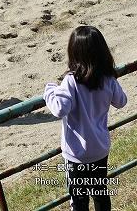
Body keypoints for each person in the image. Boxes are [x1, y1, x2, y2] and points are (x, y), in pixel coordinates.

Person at [43, 26, 127, 211]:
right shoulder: (108, 79)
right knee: (101, 194)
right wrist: (112, 78)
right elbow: (121, 101)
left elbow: (59, 109)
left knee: (79, 200)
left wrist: (50, 90)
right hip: (100, 150)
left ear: (73, 53)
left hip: (76, 155)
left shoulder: (71, 81)